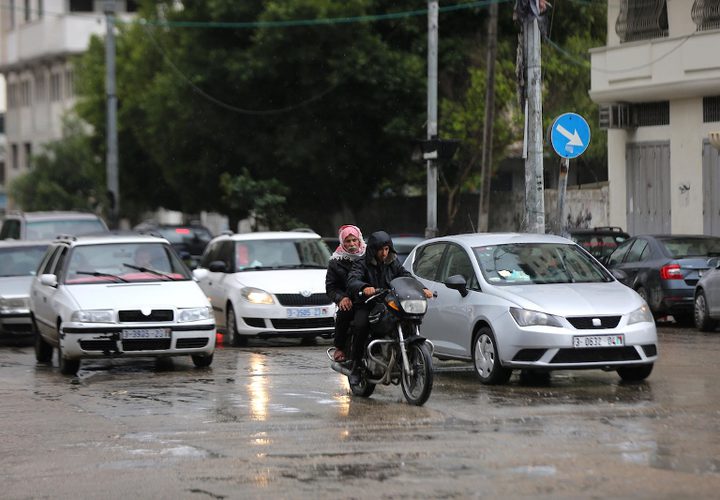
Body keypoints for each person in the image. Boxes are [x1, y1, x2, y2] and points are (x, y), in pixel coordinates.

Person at [346, 231, 433, 385]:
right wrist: (365, 287)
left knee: (409, 321)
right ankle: (356, 366)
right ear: (373, 249)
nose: (384, 253)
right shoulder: (361, 263)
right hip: (368, 303)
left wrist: (422, 288)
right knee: (361, 325)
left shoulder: (393, 262)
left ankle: (408, 358)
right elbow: (353, 279)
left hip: (388, 302)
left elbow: (406, 277)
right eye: (381, 250)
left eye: (387, 249)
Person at [325, 225, 366, 363]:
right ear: (342, 243)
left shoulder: (368, 256)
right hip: (349, 300)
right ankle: (340, 347)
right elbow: (331, 287)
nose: (352, 244)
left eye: (354, 240)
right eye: (348, 241)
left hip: (369, 298)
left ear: (359, 240)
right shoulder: (335, 262)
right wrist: (341, 298)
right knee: (345, 312)